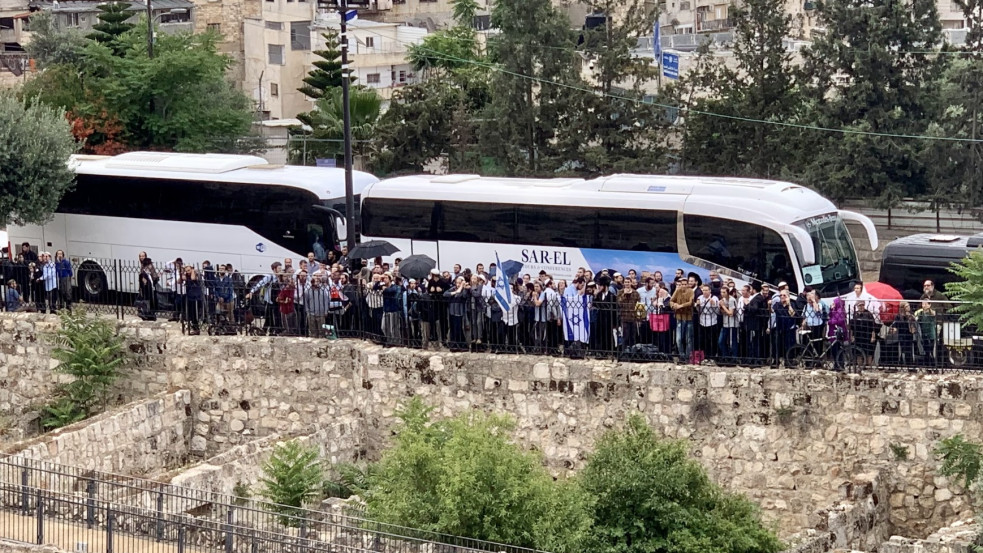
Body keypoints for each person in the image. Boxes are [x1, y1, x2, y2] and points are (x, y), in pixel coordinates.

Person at [670, 278, 694, 362]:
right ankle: (682, 355)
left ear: (687, 284)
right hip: (679, 317)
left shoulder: (691, 291)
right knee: (678, 339)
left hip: (688, 317)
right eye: (682, 284)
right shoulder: (678, 291)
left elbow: (690, 302)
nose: (683, 286)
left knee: (688, 339)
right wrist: (674, 305)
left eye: (685, 284)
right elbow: (671, 300)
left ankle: (687, 357)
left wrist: (681, 306)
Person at [184, 266, 203, 335]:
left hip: (196, 298)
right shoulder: (187, 276)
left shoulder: (196, 275)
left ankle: (196, 328)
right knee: (191, 314)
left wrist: (192, 271)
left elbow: (193, 278)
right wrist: (182, 272)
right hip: (190, 297)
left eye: (188, 270)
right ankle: (193, 327)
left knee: (195, 314)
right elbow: (181, 279)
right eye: (186, 271)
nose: (187, 272)